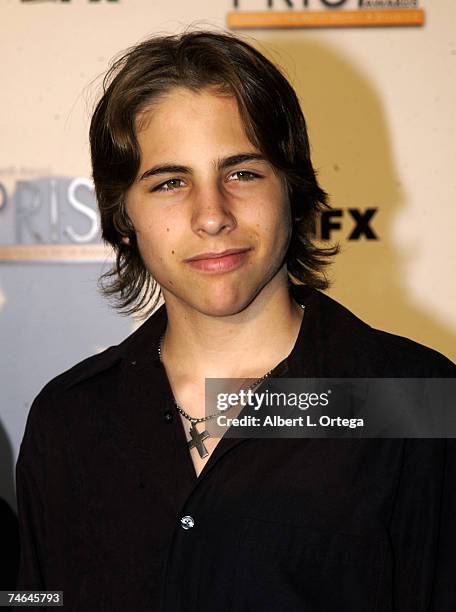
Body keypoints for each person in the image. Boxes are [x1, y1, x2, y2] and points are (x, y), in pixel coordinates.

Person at [16, 30, 456, 611]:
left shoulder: (411, 398)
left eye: (242, 172)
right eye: (170, 182)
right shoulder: (68, 420)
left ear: (291, 189)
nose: (211, 215)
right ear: (123, 215)